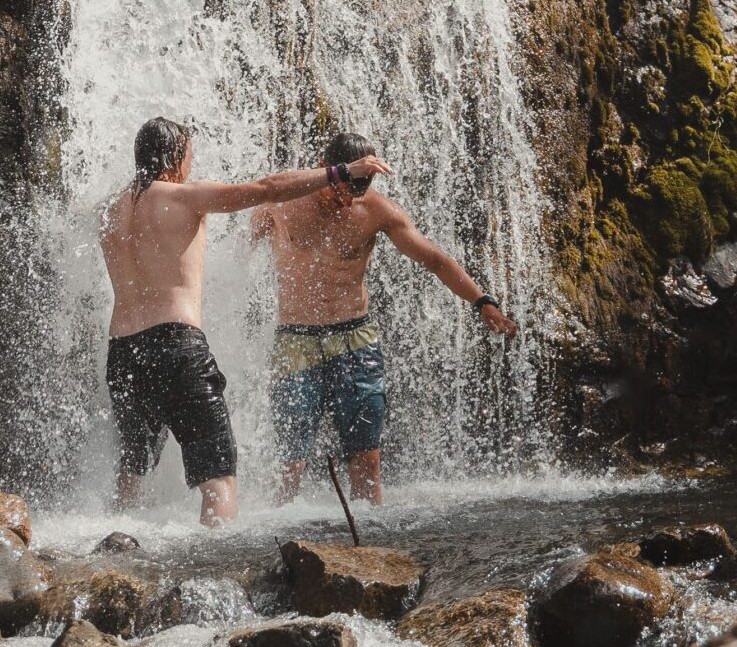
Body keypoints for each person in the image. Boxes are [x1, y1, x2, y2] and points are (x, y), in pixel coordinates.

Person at [100, 117, 394, 527]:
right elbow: (267, 190)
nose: (191, 165)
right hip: (175, 346)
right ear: (174, 158)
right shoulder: (184, 197)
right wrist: (340, 172)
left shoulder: (109, 210)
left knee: (132, 470)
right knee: (218, 474)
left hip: (123, 354)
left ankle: (112, 553)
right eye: (188, 156)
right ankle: (220, 571)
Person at [251, 132, 518, 509]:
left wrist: (482, 302)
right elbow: (244, 240)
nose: (347, 198)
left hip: (355, 341)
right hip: (295, 340)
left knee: (367, 460)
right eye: (344, 185)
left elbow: (435, 260)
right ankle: (279, 546)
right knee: (291, 462)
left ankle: (372, 554)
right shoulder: (283, 199)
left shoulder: (377, 210)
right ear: (329, 168)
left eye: (359, 190)